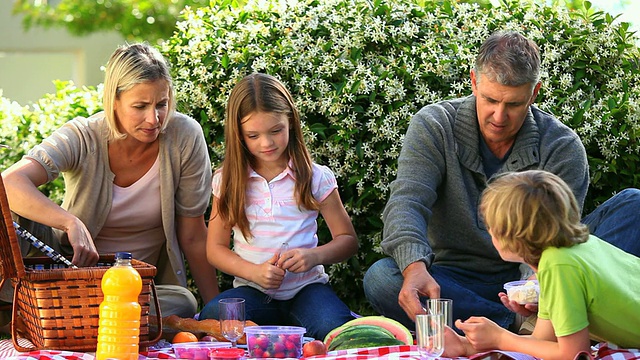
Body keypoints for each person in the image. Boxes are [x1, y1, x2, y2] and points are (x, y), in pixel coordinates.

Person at [363, 30, 640, 333]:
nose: (499, 116)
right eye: (490, 100)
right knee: (382, 278)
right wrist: (414, 266)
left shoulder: (561, 145)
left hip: (540, 273)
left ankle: (525, 322)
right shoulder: (434, 124)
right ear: (474, 82)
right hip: (452, 278)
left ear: (534, 94)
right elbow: (407, 202)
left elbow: (558, 239)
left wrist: (536, 289)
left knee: (634, 205)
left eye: (514, 104)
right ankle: (520, 328)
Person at [0, 43, 218, 320]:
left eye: (161, 104)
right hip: (69, 273)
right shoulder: (83, 135)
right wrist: (70, 222)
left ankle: (57, 315)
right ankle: (26, 306)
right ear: (113, 101)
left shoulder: (184, 136)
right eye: (140, 106)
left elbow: (193, 234)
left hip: (133, 286)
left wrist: (216, 310)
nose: (154, 119)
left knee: (183, 302)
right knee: (13, 210)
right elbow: (10, 182)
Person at [198, 72, 359, 340]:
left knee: (335, 329)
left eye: (276, 130)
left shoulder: (315, 176)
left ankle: (277, 334)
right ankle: (273, 338)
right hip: (253, 292)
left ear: (291, 123)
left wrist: (313, 256)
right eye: (253, 135)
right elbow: (215, 250)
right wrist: (254, 272)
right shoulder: (227, 181)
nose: (267, 143)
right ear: (238, 134)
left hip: (307, 289)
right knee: (213, 316)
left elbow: (348, 240)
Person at [443, 170, 640, 360]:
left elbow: (573, 353)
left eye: (490, 226)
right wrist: (467, 345)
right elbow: (543, 341)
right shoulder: (574, 247)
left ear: (511, 235)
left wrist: (501, 337)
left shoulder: (559, 266)